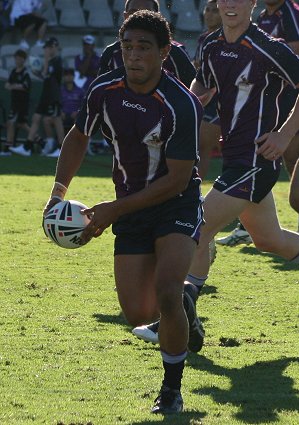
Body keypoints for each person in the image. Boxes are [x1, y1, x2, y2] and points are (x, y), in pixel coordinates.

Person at [43, 11, 204, 414]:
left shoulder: (180, 104)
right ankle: (184, 301)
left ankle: (171, 390)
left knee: (165, 291)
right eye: (127, 46)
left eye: (143, 47)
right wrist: (58, 193)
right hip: (130, 206)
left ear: (164, 53)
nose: (133, 55)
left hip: (175, 204)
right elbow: (78, 136)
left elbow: (177, 181)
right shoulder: (104, 90)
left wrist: (112, 210)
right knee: (139, 312)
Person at [134, 0, 299, 346]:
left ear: (252, 3)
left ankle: (178, 320)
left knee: (195, 227)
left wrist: (284, 134)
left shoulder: (268, 48)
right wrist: (179, 117)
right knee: (270, 240)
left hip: (256, 161)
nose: (230, 5)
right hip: (235, 160)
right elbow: (202, 87)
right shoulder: (210, 44)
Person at [217, 0, 299, 245]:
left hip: (288, 109)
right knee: (274, 232)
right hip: (278, 112)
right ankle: (245, 224)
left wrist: (284, 131)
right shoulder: (264, 15)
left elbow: (292, 57)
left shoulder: (290, 14)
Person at [97, 0, 196, 88]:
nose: (140, 17)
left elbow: (192, 92)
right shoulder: (111, 53)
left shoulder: (175, 52)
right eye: (133, 12)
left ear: (157, 16)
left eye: (147, 12)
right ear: (125, 17)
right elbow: (100, 93)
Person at [10, 37, 64, 157]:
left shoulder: (57, 61)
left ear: (54, 47)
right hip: (45, 94)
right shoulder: (51, 61)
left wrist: (45, 60)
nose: (46, 50)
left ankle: (61, 149)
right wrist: (37, 73)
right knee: (35, 118)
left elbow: (48, 75)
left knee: (57, 120)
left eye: (48, 48)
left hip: (53, 95)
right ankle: (27, 147)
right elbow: (45, 76)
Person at [193, 0, 222, 179]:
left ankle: (196, 191)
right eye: (208, 9)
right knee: (196, 146)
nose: (209, 14)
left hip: (218, 100)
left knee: (203, 147)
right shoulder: (204, 38)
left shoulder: (224, 37)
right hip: (202, 97)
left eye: (215, 11)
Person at [0, 48, 31, 156]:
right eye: (16, 58)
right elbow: (7, 85)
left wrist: (14, 86)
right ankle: (39, 142)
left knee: (14, 123)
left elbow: (25, 86)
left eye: (20, 59)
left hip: (22, 103)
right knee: (17, 124)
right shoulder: (13, 71)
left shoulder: (26, 72)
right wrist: (16, 86)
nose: (18, 60)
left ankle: (7, 148)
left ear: (24, 60)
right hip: (14, 103)